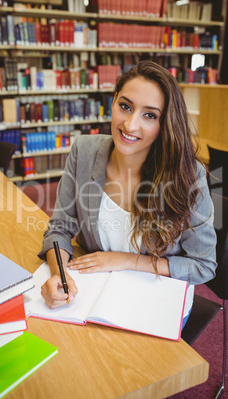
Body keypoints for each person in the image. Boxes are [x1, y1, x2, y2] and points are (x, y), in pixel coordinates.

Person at [38, 60, 217, 328]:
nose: (130, 125)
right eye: (125, 106)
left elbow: (203, 265)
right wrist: (58, 275)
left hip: (158, 295)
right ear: (113, 103)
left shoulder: (188, 175)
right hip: (96, 288)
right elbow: (60, 229)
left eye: (150, 115)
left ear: (165, 123)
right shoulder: (84, 151)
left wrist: (128, 261)